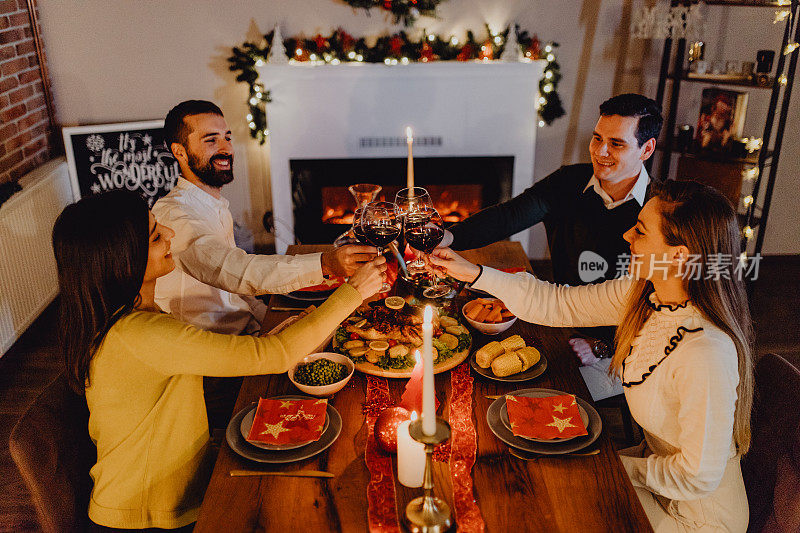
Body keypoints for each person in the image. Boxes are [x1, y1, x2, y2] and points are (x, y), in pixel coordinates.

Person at [430, 179, 753, 532]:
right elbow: (557, 304)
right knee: (528, 475)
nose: (628, 235)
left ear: (679, 255)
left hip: (696, 517)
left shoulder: (706, 352)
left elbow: (698, 476)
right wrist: (472, 272)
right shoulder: (645, 293)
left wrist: (610, 466)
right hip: (652, 477)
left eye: (641, 231)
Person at [53, 190, 385, 530]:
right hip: (145, 515)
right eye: (155, 235)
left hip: (169, 492)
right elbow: (276, 356)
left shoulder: (132, 320)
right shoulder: (141, 334)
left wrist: (270, 340)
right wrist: (354, 292)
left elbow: (254, 351)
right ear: (123, 260)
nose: (169, 234)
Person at [440, 93, 663, 400]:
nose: (601, 151)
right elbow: (509, 215)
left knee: (529, 398)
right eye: (597, 138)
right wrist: (448, 237)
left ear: (646, 149)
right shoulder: (569, 182)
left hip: (620, 347)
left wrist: (603, 347)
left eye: (617, 143)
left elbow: (656, 306)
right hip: (557, 314)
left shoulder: (659, 212)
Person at [153, 100, 378, 335]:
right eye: (211, 140)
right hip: (216, 346)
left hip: (249, 330)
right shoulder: (175, 215)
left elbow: (237, 293)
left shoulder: (213, 204)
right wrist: (324, 263)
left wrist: (271, 321)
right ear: (179, 151)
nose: (226, 149)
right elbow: (233, 271)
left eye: (227, 137)